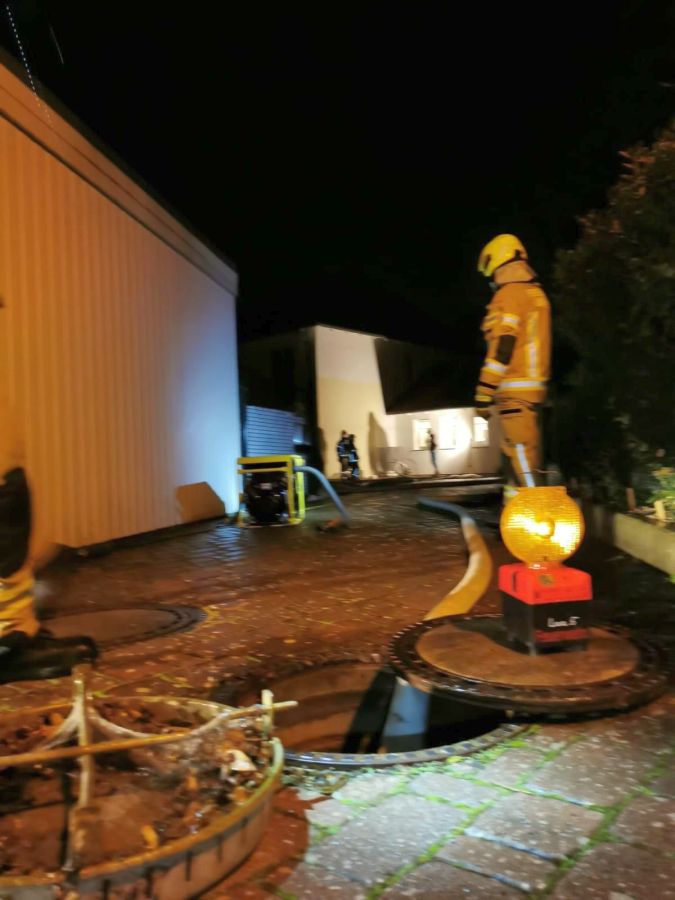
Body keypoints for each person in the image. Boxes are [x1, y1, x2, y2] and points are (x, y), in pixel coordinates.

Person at [474, 234, 551, 497]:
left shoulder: (509, 296)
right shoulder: (536, 295)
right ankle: (515, 513)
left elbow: (503, 347)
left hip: (514, 394)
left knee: (521, 464)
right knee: (524, 462)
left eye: (492, 274)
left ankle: (534, 512)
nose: (493, 281)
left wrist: (484, 392)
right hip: (532, 394)